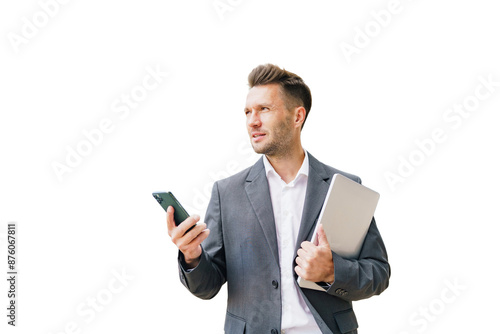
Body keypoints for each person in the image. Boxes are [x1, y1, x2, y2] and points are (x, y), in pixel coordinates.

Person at [166, 64, 390, 334]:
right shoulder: (227, 193)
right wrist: (192, 256)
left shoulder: (345, 188)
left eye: (264, 109)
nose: (252, 121)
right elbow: (207, 286)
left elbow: (378, 273)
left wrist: (332, 271)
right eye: (248, 112)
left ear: (297, 116)